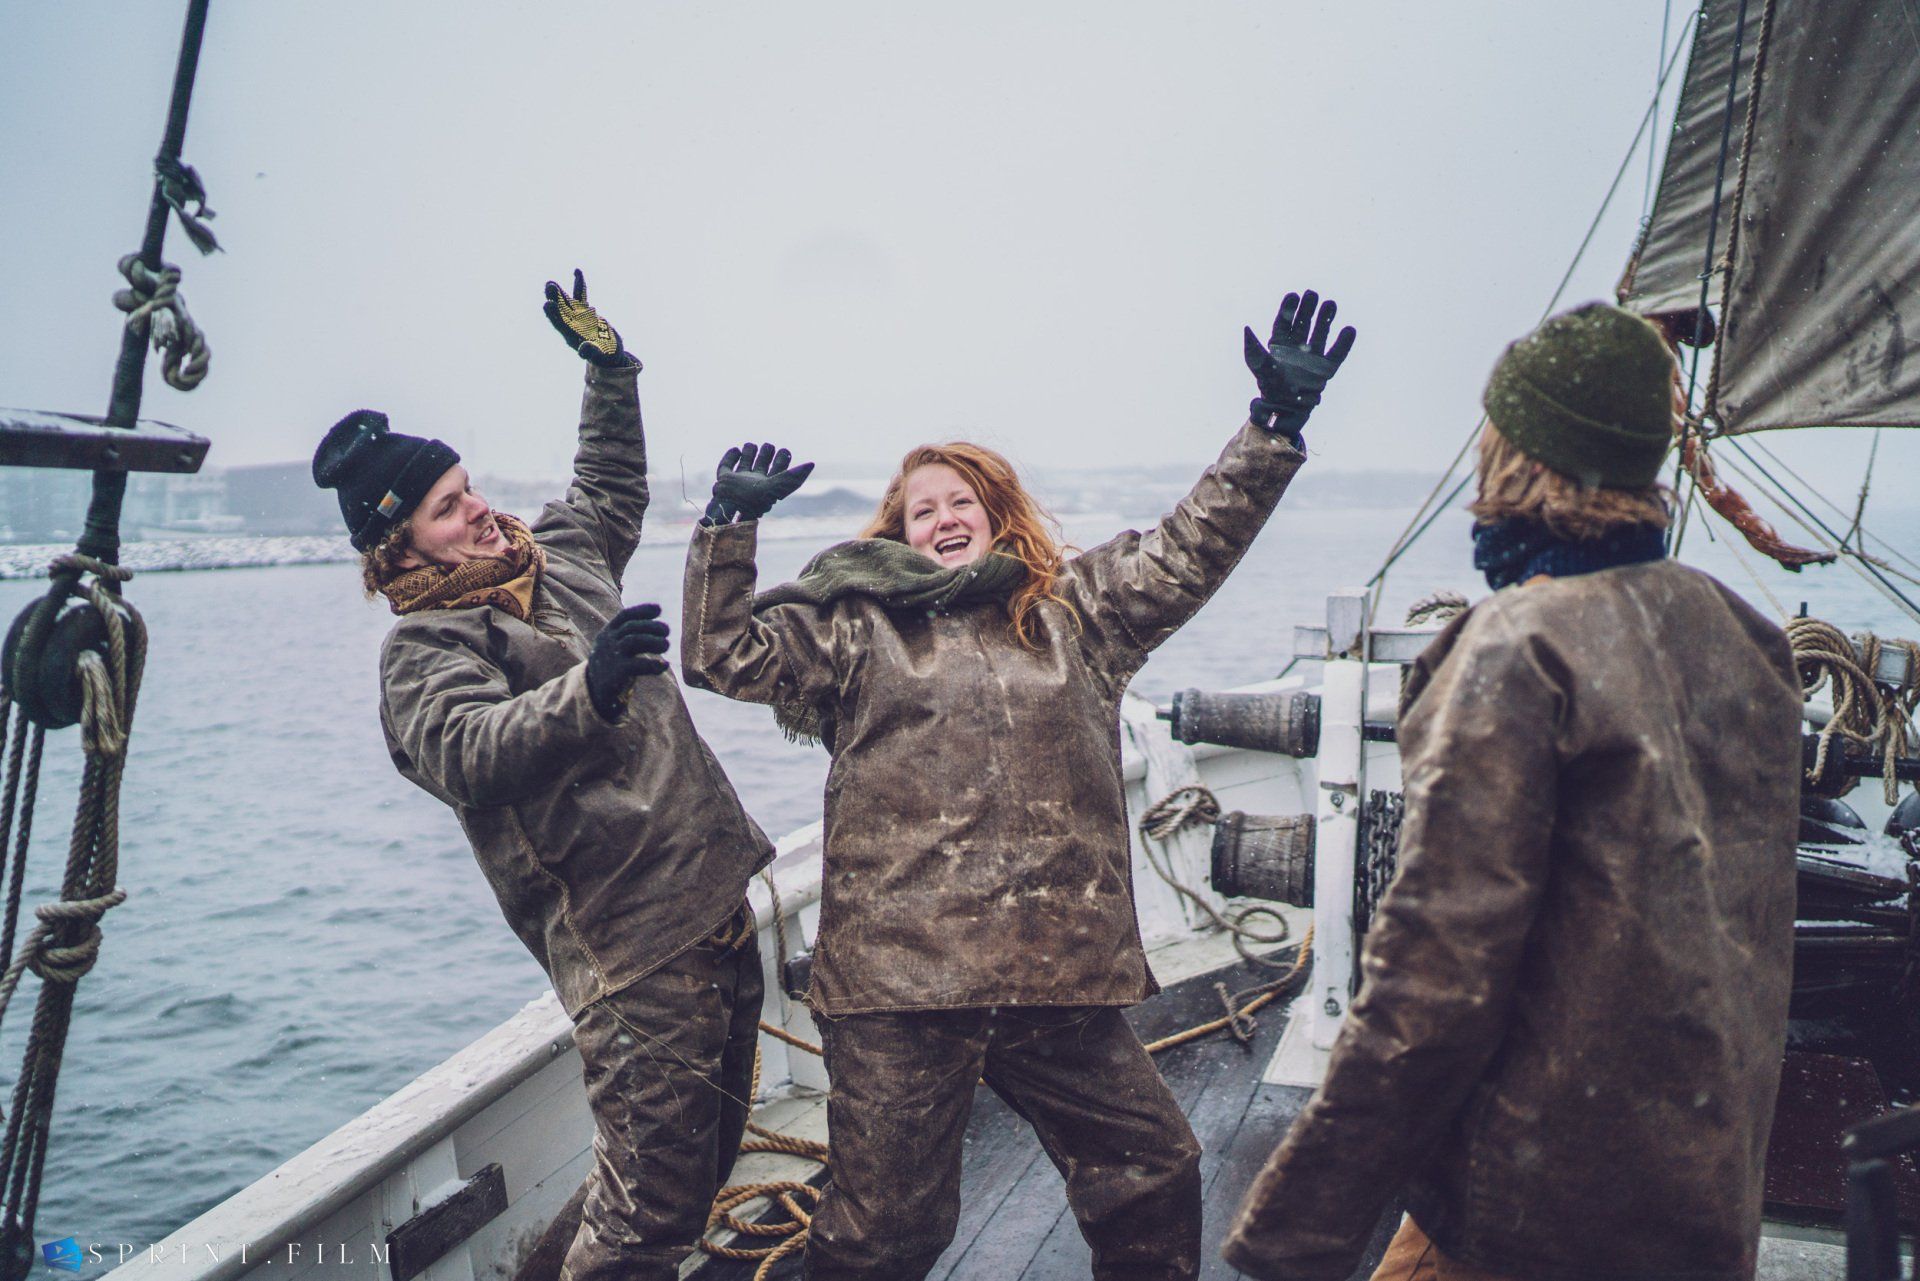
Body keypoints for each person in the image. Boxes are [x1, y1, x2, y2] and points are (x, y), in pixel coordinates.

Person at [679, 290, 1357, 1281]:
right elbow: (721, 652)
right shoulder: (852, 630)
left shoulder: (1080, 610)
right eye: (925, 509)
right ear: (900, 535)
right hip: (903, 988)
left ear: (995, 518)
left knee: (1152, 1173)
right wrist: (727, 524)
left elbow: (1194, 543)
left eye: (963, 502)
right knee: (886, 1235)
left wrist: (1273, 427)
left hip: (1057, 975)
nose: (945, 517)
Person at [1221, 303, 1803, 1281]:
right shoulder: (1748, 638)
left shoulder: (1517, 649)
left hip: (1536, 1211)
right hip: (1699, 1198)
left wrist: (1295, 1233)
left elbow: (1430, 986)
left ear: (1523, 459)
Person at [312, 272, 774, 1281]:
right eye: (446, 508)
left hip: (714, 897)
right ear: (399, 546)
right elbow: (467, 752)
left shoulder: (556, 556)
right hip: (629, 948)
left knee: (698, 1165)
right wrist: (592, 687)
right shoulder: (424, 651)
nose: (477, 510)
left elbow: (608, 488)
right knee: (648, 1217)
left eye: (468, 487)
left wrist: (611, 372)